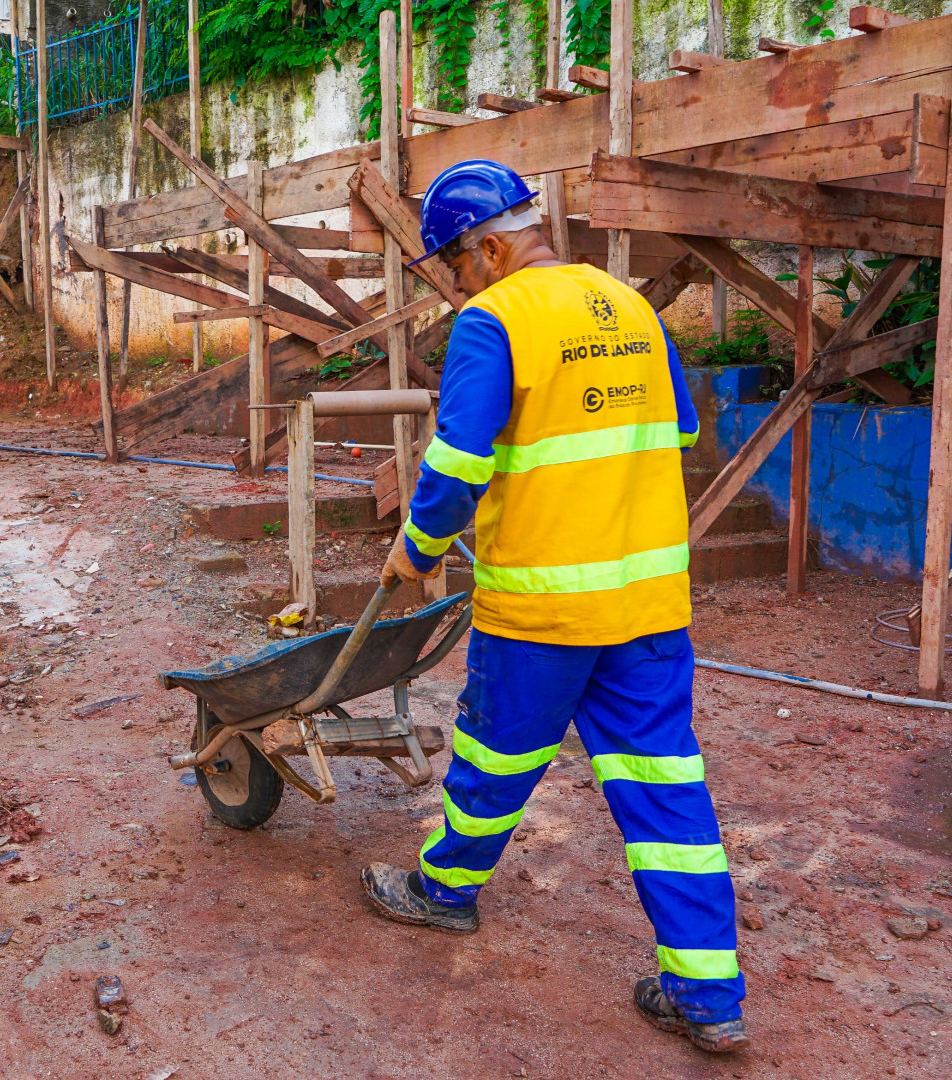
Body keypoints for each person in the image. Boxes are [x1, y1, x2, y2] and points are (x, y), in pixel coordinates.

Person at [360, 159, 747, 1053]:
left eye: (455, 268)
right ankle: (710, 996)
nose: (457, 288)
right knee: (667, 790)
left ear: (489, 248)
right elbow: (677, 430)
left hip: (543, 609)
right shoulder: (631, 307)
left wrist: (418, 551)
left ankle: (444, 893)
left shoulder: (497, 320)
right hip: (648, 606)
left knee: (494, 758)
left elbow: (457, 468)